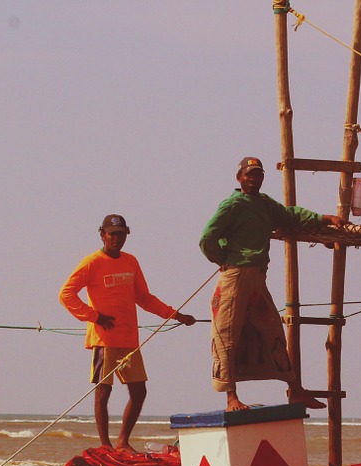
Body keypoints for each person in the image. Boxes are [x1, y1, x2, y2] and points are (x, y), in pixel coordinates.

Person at [199, 156, 342, 411]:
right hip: (235, 275)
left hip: (257, 276)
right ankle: (231, 397)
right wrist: (222, 258)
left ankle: (296, 390)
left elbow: (289, 216)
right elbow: (208, 237)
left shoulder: (264, 204)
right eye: (250, 175)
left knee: (272, 331)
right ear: (240, 178)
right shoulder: (232, 205)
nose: (254, 179)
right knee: (226, 333)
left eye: (258, 175)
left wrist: (323, 218)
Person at [60, 214, 196, 448]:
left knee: (139, 392)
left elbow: (144, 298)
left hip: (129, 338)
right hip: (104, 338)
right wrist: (94, 316)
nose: (117, 238)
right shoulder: (91, 262)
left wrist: (176, 315)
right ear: (102, 235)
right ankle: (105, 445)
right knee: (103, 392)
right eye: (112, 234)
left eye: (121, 234)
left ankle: (123, 441)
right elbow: (66, 294)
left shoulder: (130, 261)